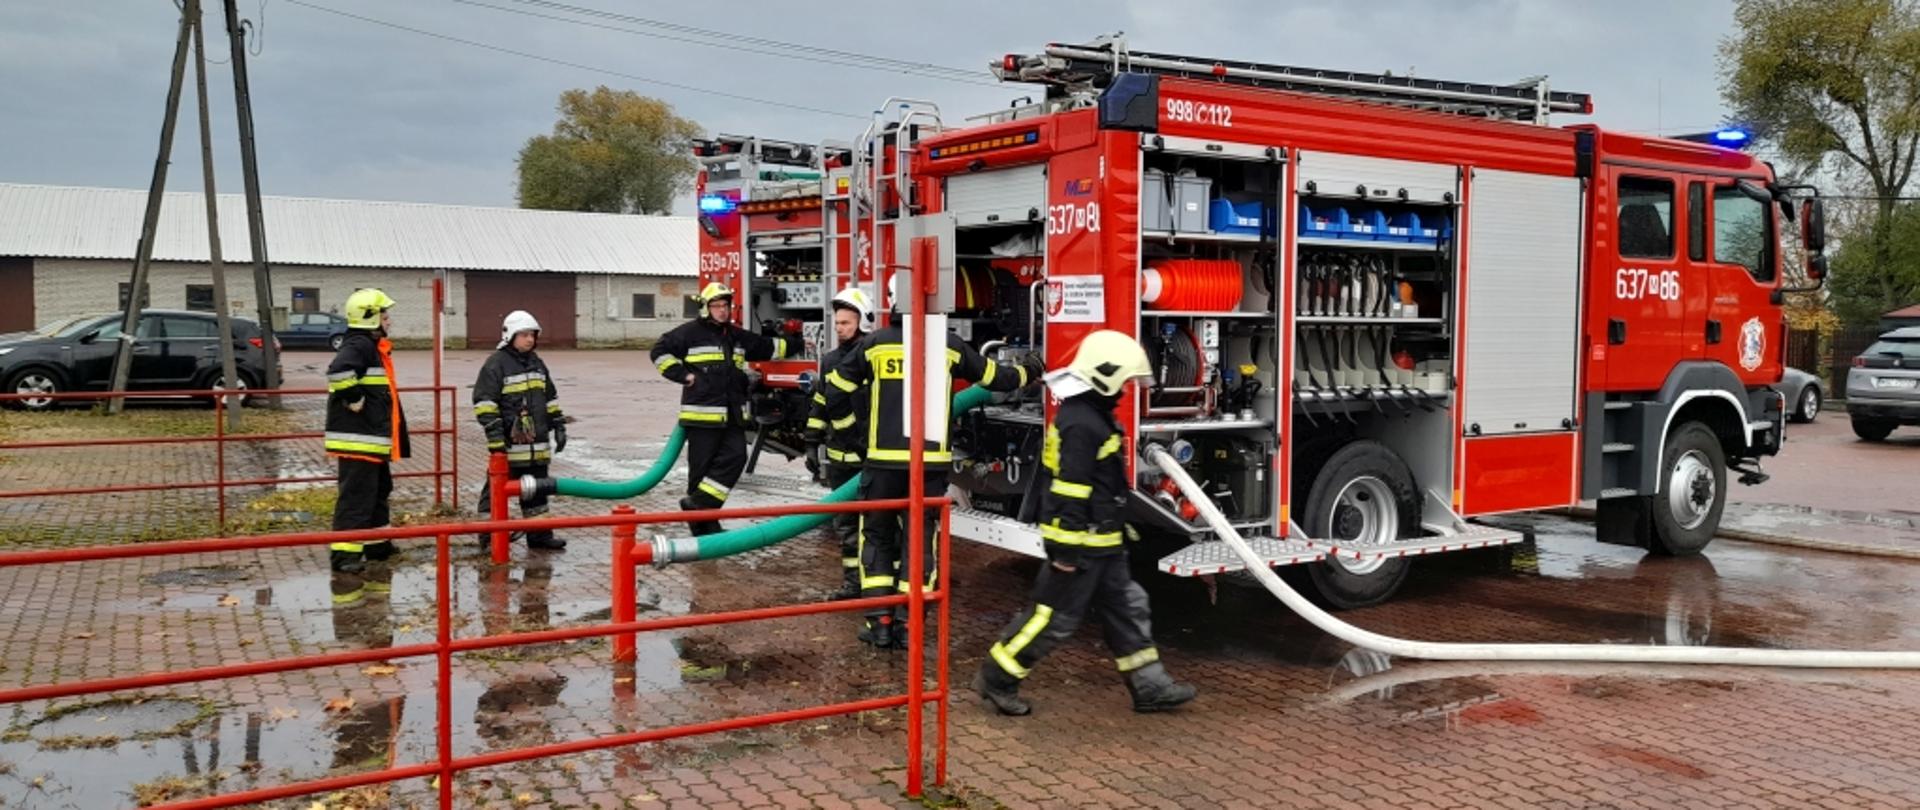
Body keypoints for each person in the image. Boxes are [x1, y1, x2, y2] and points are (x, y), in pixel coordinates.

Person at [974, 330, 1197, 716]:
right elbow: (1071, 490)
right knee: (1052, 621)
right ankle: (997, 677)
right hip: (1080, 546)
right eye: (1125, 381)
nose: (1128, 389)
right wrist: (1066, 551)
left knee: (1129, 608)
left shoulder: (1090, 415)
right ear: (1106, 375)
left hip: (1103, 542)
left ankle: (1150, 686)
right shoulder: (1082, 423)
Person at [823, 274, 1041, 649]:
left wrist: (857, 436)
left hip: (881, 467)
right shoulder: (948, 345)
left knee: (875, 540)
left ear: (891, 301)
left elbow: (835, 391)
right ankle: (910, 627)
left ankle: (880, 625)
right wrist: (1033, 368)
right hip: (927, 468)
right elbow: (997, 378)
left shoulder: (873, 345)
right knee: (920, 544)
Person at [649, 282, 800, 536]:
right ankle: (703, 525)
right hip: (701, 415)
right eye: (717, 306)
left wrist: (797, 341)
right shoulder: (689, 333)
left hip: (731, 414)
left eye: (725, 306)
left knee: (736, 458)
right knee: (701, 470)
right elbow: (658, 352)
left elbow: (768, 347)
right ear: (706, 309)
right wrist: (684, 376)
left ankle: (701, 506)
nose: (722, 311)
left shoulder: (736, 335)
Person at [325, 288, 410, 574]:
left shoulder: (370, 347)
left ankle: (377, 545)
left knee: (378, 491)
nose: (389, 320)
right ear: (370, 317)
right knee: (357, 496)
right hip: (358, 440)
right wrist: (355, 398)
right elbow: (338, 372)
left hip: (371, 440)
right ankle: (344, 556)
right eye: (384, 315)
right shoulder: (359, 345)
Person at [473, 310, 568, 551]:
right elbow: (485, 403)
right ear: (510, 335)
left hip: (536, 445)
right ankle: (488, 536)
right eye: (524, 335)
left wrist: (558, 425)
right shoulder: (496, 364)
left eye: (532, 335)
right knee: (495, 492)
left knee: (537, 491)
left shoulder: (537, 362)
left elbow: (550, 397)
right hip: (509, 445)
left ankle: (539, 536)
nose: (529, 340)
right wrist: (495, 438)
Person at [803, 286, 876, 599]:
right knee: (845, 525)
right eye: (837, 323)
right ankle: (852, 584)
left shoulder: (873, 355)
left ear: (862, 321)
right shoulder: (830, 360)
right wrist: (811, 441)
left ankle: (877, 583)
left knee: (876, 525)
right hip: (840, 458)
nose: (840, 328)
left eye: (846, 322)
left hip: (870, 457)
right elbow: (821, 401)